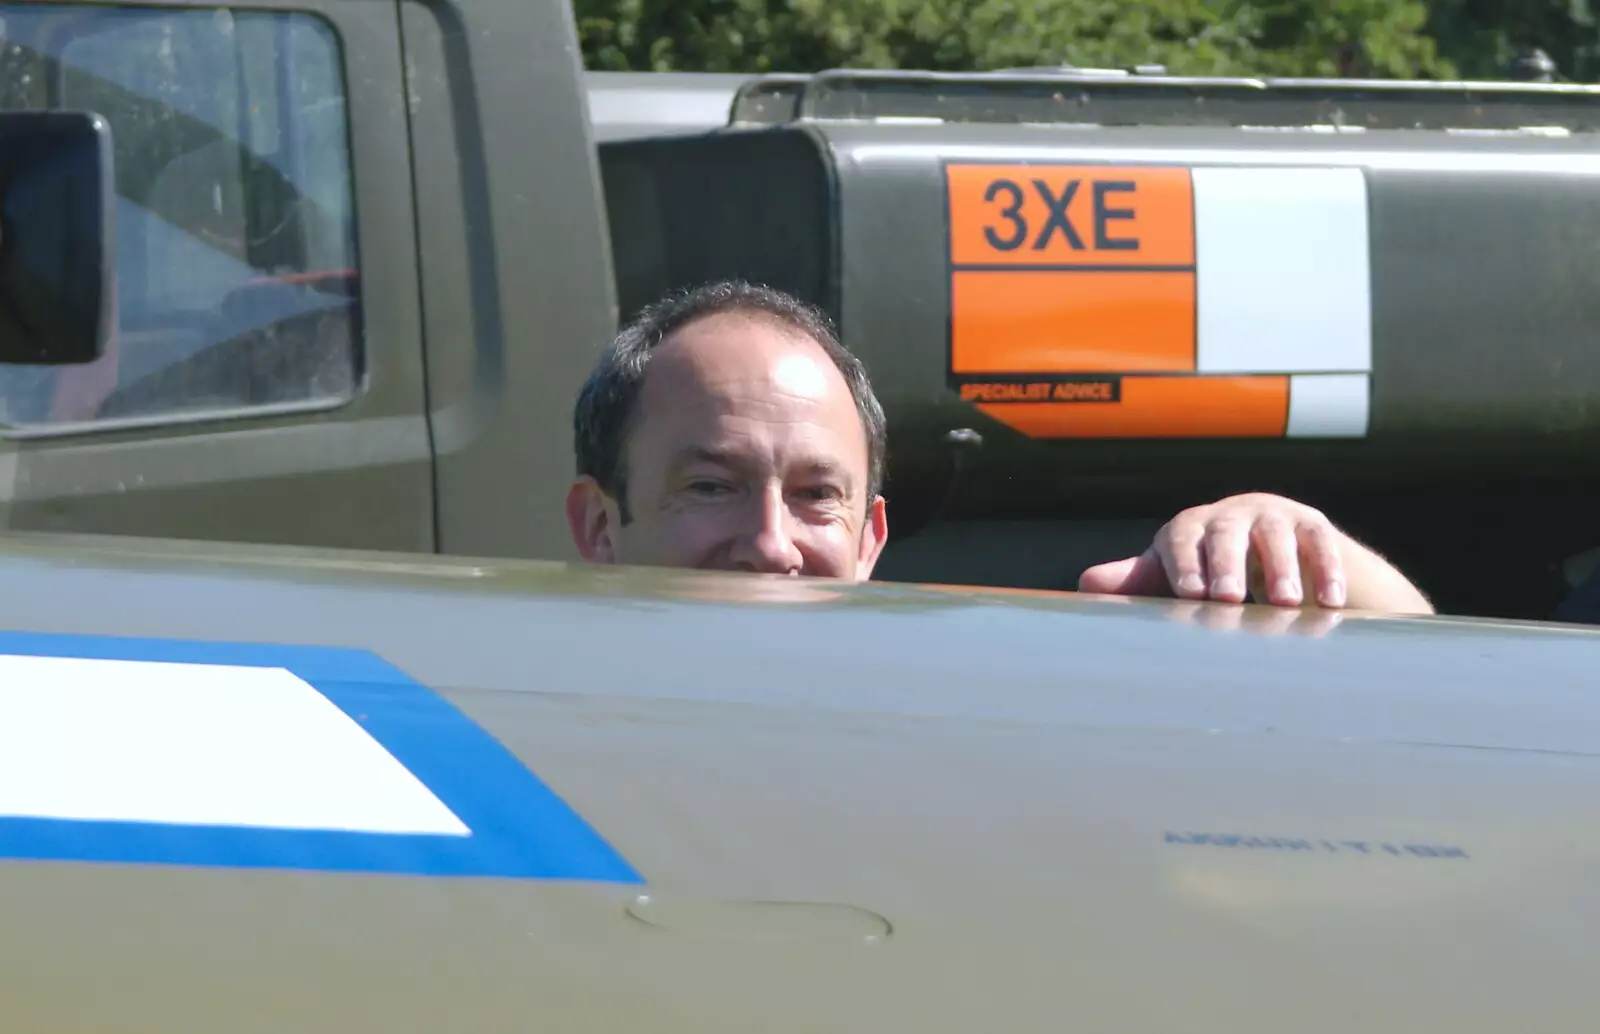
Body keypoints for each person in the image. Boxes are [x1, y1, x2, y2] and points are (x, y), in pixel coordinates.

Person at [565, 279, 1434, 615]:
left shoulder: (953, 711)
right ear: (600, 526)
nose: (770, 545)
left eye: (814, 496)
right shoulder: (501, 725)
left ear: (871, 539)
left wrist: (1283, 537)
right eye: (712, 485)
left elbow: (1417, 659)